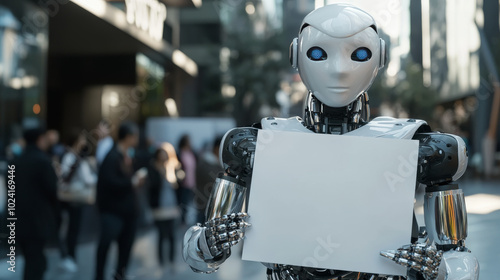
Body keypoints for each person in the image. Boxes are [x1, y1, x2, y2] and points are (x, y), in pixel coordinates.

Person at [183, 4, 479, 280]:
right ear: (297, 54)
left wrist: (439, 268)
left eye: (358, 54)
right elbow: (200, 252)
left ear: (380, 56)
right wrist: (209, 242)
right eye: (319, 53)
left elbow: (457, 257)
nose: (339, 69)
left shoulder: (420, 145)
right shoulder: (255, 144)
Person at [94, 122, 146, 280]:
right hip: (113, 211)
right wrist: (132, 183)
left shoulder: (127, 155)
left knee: (125, 248)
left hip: (128, 212)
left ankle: (119, 275)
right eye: (135, 136)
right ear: (129, 137)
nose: (137, 139)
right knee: (105, 245)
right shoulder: (112, 156)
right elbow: (109, 182)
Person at [14, 127, 59, 280]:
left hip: (19, 219)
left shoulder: (16, 161)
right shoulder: (43, 161)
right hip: (38, 221)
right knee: (36, 263)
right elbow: (52, 190)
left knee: (31, 260)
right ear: (40, 139)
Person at [58, 128, 97, 272]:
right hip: (73, 198)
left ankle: (69, 257)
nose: (84, 142)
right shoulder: (72, 157)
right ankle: (69, 257)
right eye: (82, 139)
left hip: (73, 198)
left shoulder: (73, 156)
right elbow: (86, 179)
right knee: (72, 229)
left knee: (71, 229)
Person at [147, 148, 180, 271]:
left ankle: (171, 260)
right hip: (159, 205)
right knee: (161, 234)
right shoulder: (153, 169)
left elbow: (176, 183)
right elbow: (152, 186)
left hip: (170, 203)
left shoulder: (170, 167)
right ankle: (161, 261)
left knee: (171, 234)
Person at [195, 137, 223, 223]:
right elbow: (216, 181)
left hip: (211, 207)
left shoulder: (213, 162)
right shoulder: (206, 163)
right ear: (217, 148)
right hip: (206, 207)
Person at [178, 134, 196, 225]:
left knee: (192, 202)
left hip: (192, 181)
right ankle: (183, 220)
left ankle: (190, 219)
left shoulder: (191, 152)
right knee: (184, 202)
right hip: (184, 183)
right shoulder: (180, 154)